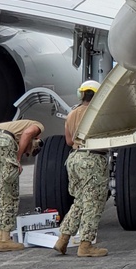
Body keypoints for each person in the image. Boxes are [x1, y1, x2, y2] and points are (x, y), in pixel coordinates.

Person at [54, 80, 110, 257]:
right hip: (92, 159)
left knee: (79, 201)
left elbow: (69, 141)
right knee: (93, 203)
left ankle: (62, 239)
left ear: (82, 94)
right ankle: (86, 245)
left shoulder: (72, 113)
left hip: (74, 158)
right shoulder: (99, 114)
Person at [0, 119, 44, 251]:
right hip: (2, 141)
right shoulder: (38, 126)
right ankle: (5, 239)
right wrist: (17, 158)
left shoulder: (14, 126)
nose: (27, 153)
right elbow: (28, 133)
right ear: (36, 139)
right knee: (9, 192)